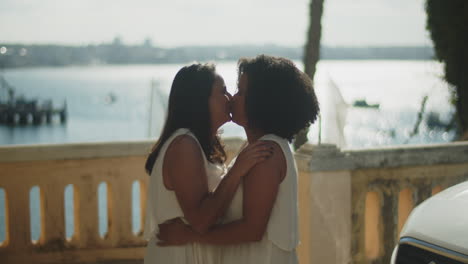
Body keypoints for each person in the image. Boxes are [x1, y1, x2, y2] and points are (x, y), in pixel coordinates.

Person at [157, 55, 320, 264]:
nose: (233, 97)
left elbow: (252, 231)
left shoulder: (266, 153)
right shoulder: (254, 148)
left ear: (260, 101)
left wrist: (189, 235)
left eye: (241, 92)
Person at [143, 63, 273, 264]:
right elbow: (201, 221)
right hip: (180, 257)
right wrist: (237, 170)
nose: (229, 98)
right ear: (200, 100)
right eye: (222, 92)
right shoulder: (183, 145)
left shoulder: (195, 143)